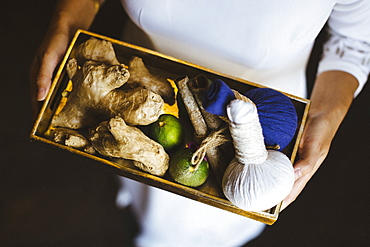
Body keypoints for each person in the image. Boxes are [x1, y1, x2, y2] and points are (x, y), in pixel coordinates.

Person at [30, 0, 370, 246]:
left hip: (264, 129)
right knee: (139, 178)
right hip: (139, 87)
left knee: (209, 219)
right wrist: (67, 19)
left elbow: (354, 42)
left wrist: (327, 116)